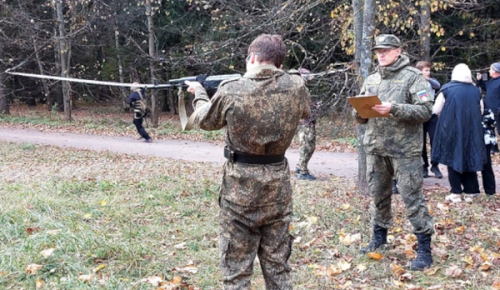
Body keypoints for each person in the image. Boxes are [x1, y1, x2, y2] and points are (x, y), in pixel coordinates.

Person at [185, 34, 311, 289]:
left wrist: (198, 92)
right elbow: (306, 111)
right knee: (278, 266)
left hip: (239, 189)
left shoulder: (232, 89)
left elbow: (205, 121)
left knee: (237, 269)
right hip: (277, 186)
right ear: (279, 63)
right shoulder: (297, 86)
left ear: (253, 57)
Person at [353, 34, 434, 271]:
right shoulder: (372, 79)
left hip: (404, 151)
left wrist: (394, 109)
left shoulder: (413, 77)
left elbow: (425, 110)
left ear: (398, 51)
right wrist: (359, 111)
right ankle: (379, 240)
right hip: (376, 148)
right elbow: (361, 117)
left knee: (412, 199)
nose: (381, 54)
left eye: (386, 50)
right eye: (378, 50)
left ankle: (424, 249)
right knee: (378, 196)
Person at [431, 63, 486, 203]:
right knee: (470, 158)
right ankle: (469, 193)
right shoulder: (475, 90)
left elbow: (436, 110)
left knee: (452, 158)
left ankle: (456, 193)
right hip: (472, 130)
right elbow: (480, 110)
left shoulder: (447, 89)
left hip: (451, 130)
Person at [416, 61, 443, 179]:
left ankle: (435, 165)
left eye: (429, 70)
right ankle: (424, 167)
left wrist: (427, 79)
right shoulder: (415, 83)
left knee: (435, 141)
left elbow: (438, 86)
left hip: (432, 116)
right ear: (420, 71)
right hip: (420, 116)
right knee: (421, 143)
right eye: (426, 70)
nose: (428, 72)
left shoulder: (431, 82)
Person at [294, 68, 320, 181]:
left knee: (306, 145)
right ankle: (303, 172)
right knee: (307, 146)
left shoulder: (300, 89)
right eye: (307, 77)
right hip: (305, 123)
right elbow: (302, 107)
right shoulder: (299, 89)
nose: (310, 80)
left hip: (306, 122)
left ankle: (299, 167)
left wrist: (314, 105)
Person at [477, 62, 500, 134]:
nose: (489, 71)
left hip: (498, 112)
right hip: (490, 112)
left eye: (491, 69)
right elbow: (485, 88)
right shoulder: (491, 81)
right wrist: (480, 80)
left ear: (495, 71)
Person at [481, 109, 497, 195]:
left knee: (486, 165)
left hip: (485, 139)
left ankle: (490, 191)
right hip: (484, 138)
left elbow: (492, 121)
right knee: (486, 166)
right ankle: (490, 191)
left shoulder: (486, 106)